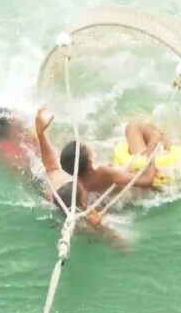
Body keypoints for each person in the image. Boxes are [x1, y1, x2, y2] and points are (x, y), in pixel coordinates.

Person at [35, 107, 131, 252]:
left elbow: (51, 166)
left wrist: (41, 134)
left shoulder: (55, 192)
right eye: (83, 189)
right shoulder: (83, 226)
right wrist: (101, 226)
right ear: (82, 203)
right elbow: (124, 248)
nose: (83, 185)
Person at [59, 121, 168, 194]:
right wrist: (152, 145)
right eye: (84, 146)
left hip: (129, 182)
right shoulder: (103, 172)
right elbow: (147, 181)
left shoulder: (80, 185)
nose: (86, 145)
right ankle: (169, 143)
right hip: (154, 184)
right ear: (88, 160)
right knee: (133, 127)